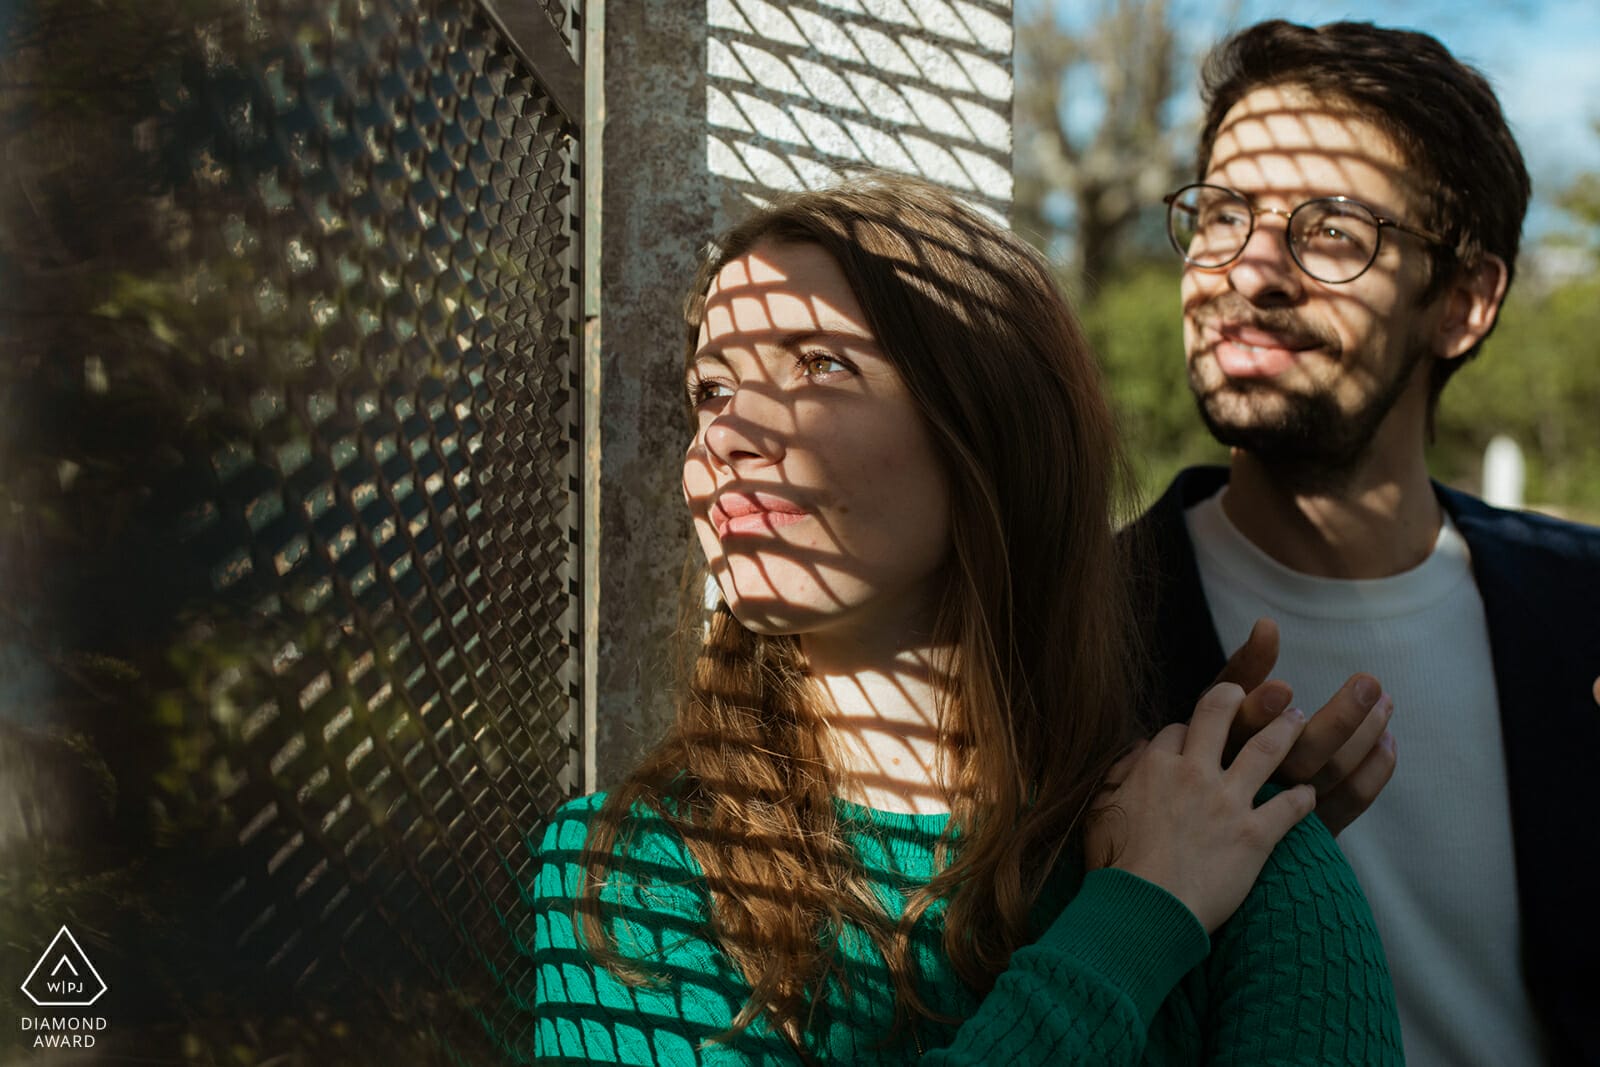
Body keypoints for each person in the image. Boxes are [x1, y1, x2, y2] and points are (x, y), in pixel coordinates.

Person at [525, 175, 1400, 1064]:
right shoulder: (624, 873)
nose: (725, 433)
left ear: (988, 429)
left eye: (819, 364)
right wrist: (1135, 924)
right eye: (709, 390)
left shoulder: (1239, 851)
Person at [1130, 19, 1600, 1066]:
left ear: (1464, 303)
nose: (1248, 272)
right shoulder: (1068, 627)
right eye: (1222, 215)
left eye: (1332, 229)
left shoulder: (1579, 613)